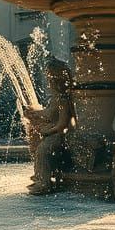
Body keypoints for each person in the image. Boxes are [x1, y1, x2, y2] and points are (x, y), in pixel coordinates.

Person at [21, 58, 73, 195]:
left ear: (57, 77)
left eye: (50, 76)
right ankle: (40, 178)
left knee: (43, 150)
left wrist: (46, 132)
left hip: (58, 136)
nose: (48, 79)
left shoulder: (63, 99)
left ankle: (44, 183)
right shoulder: (55, 98)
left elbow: (62, 125)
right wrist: (34, 113)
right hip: (52, 132)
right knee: (39, 148)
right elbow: (49, 113)